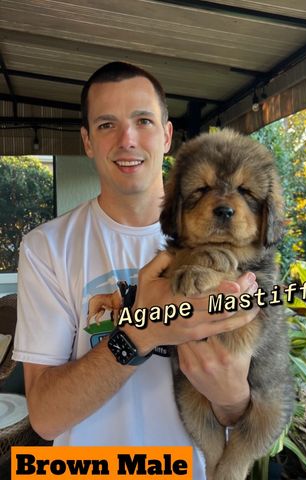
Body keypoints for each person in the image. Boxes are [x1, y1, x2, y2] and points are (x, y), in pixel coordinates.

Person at [13, 62, 259, 477]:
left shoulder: (231, 236)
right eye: (107, 125)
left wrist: (232, 396)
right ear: (88, 142)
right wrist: (141, 332)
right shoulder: (47, 247)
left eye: (143, 120)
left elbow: (246, 409)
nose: (127, 139)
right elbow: (46, 417)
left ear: (166, 135)